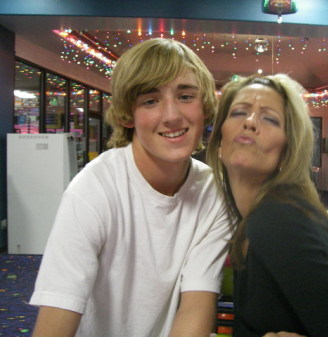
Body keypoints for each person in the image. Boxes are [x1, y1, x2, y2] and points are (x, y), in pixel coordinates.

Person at [29, 38, 232, 337]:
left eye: (186, 96)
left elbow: (196, 306)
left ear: (205, 107)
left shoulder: (213, 191)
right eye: (150, 100)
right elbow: (58, 314)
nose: (172, 115)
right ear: (127, 115)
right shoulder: (93, 189)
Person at [206, 74, 328, 337]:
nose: (250, 122)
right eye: (239, 113)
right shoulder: (258, 216)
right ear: (219, 143)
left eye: (269, 118)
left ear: (287, 152)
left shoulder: (278, 220)